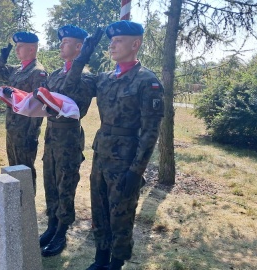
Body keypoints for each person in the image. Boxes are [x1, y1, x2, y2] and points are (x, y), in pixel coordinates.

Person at [64, 21, 165, 269]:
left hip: (126, 160)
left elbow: (151, 131)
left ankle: (116, 262)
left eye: (118, 40)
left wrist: (136, 170)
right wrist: (81, 58)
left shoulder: (147, 81)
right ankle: (100, 258)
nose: (112, 45)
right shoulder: (104, 78)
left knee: (121, 215)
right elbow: (70, 87)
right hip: (102, 155)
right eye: (111, 40)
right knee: (99, 211)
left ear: (135, 44)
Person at [38, 25, 95, 257]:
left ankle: (62, 230)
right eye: (61, 42)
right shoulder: (54, 74)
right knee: (50, 181)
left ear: (79, 47)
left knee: (65, 183)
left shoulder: (86, 77)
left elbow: (75, 102)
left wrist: (80, 62)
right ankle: (51, 225)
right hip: (51, 134)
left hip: (69, 137)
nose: (61, 45)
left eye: (66, 42)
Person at [0, 32, 48, 191]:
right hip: (12, 127)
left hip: (26, 131)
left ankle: (27, 206)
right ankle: (14, 205)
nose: (17, 50)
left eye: (20, 47)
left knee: (25, 170)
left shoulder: (37, 72)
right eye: (16, 47)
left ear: (31, 49)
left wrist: (32, 133)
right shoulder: (17, 70)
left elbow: (39, 106)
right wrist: (3, 57)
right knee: (13, 168)